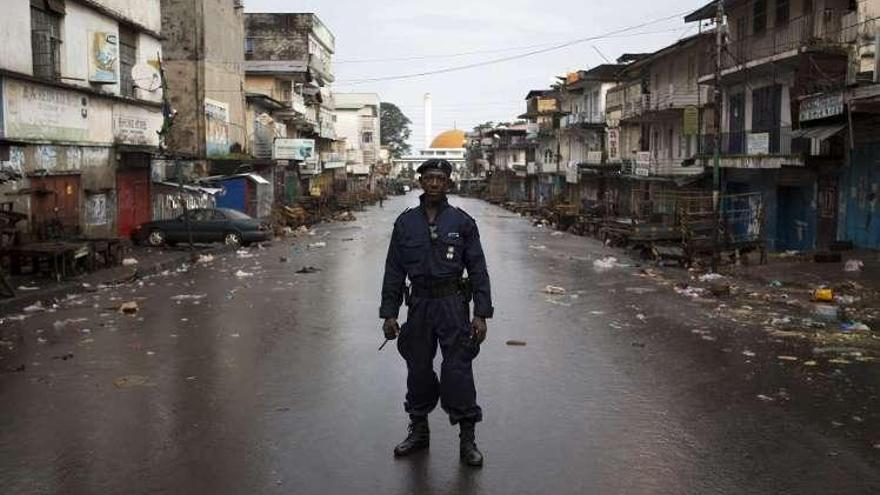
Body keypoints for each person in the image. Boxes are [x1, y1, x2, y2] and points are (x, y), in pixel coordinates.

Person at [379, 159, 493, 467]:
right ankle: (419, 431)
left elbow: (478, 268)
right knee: (417, 369)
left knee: (457, 370)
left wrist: (481, 313)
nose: (433, 183)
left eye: (440, 178)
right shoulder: (405, 223)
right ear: (420, 182)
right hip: (419, 306)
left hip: (452, 304)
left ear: (448, 184)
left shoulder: (462, 222)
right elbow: (393, 270)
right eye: (428, 177)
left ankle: (467, 439)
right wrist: (389, 313)